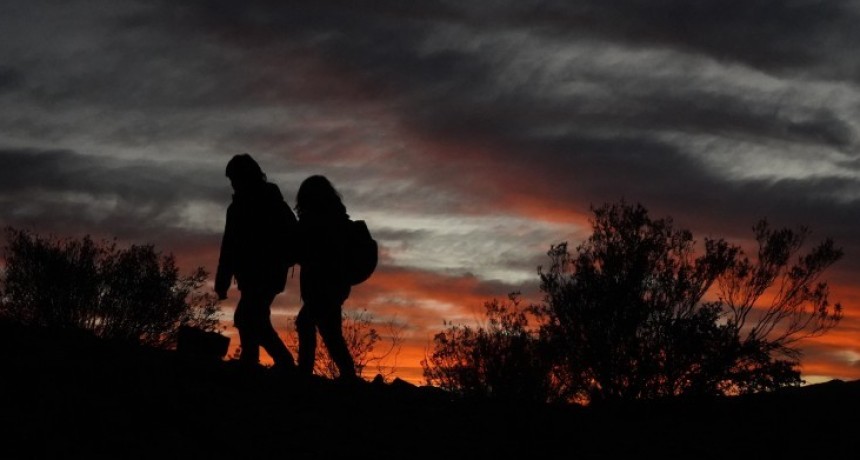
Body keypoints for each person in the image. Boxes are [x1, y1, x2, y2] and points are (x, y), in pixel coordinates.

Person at [215, 153, 297, 372]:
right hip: (252, 274)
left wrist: (223, 280)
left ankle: (280, 363)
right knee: (254, 318)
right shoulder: (242, 207)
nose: (233, 184)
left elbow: (230, 246)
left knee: (248, 317)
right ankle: (254, 361)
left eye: (235, 178)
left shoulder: (269, 202)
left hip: (268, 272)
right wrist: (222, 280)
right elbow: (229, 246)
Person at [294, 174, 358, 381]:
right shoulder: (337, 218)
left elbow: (307, 251)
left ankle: (304, 372)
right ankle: (348, 375)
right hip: (334, 284)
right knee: (330, 331)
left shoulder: (318, 221)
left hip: (325, 284)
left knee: (306, 322)